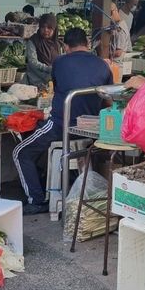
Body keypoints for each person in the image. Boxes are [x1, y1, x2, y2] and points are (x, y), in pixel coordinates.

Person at [13, 27, 113, 215]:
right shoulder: (103, 65)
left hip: (60, 125)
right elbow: (108, 100)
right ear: (87, 44)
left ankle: (36, 200)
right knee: (46, 150)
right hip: (89, 129)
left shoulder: (59, 62)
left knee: (20, 152)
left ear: (65, 46)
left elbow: (58, 87)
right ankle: (51, 186)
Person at [25, 13, 61, 87]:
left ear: (54, 29)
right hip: (35, 83)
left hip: (53, 83)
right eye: (43, 27)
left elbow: (59, 63)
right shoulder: (33, 41)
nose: (45, 30)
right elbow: (32, 63)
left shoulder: (57, 44)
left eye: (49, 28)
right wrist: (48, 69)